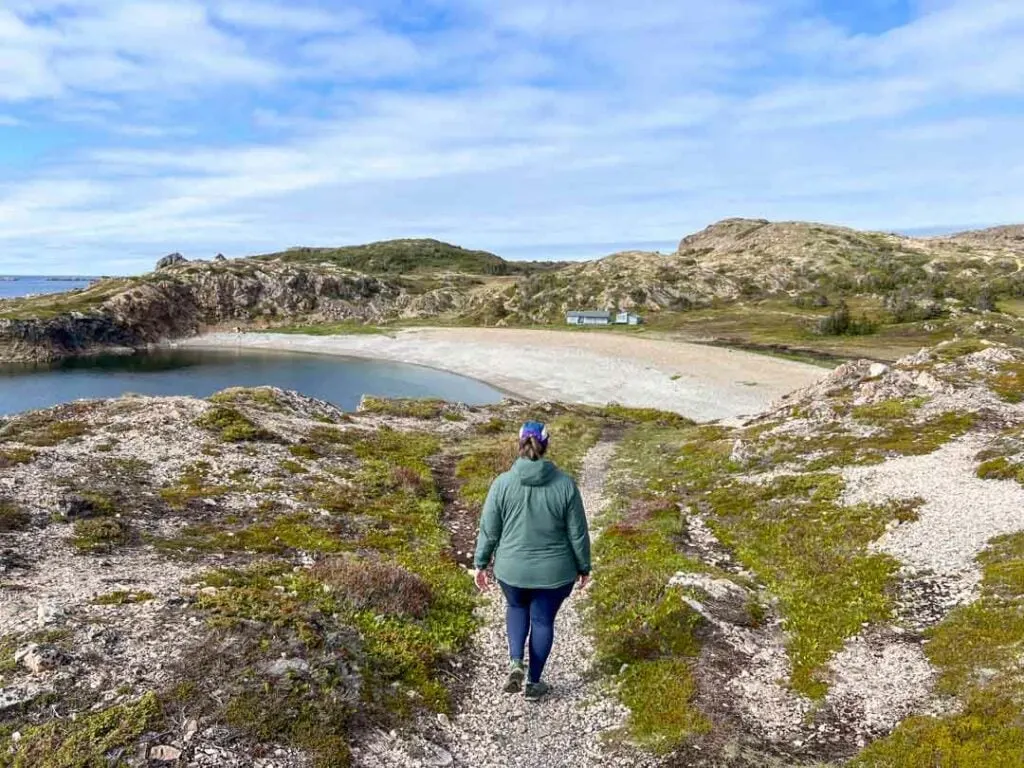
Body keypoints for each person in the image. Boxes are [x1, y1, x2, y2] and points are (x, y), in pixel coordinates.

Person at [472, 421, 592, 702]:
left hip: (511, 571)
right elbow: (578, 533)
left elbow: (489, 530)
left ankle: (516, 663)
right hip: (555, 573)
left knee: (515, 606)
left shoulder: (502, 484)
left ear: (519, 445)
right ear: (546, 445)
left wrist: (480, 564)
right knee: (542, 621)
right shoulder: (565, 485)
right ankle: (533, 683)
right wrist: (584, 567)